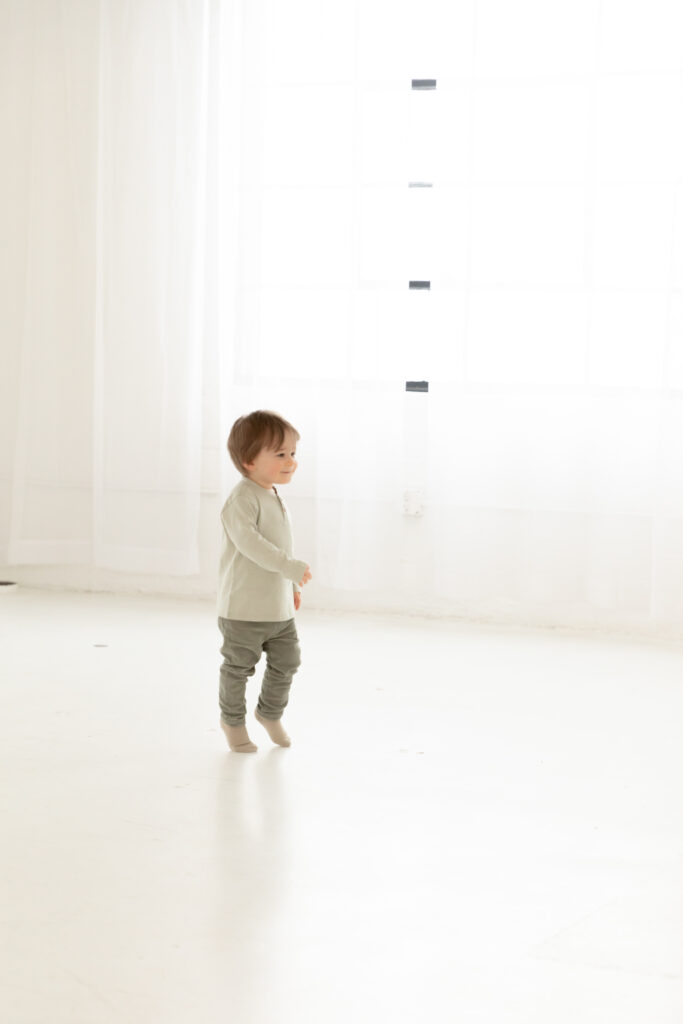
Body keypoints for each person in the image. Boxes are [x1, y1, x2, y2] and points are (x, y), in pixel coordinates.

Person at [217, 410, 312, 753]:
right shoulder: (241, 498)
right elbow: (252, 545)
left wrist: (292, 586)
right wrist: (290, 568)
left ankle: (269, 713)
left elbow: (280, 545)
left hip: (277, 608)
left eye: (293, 453)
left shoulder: (271, 493)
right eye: (281, 454)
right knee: (238, 668)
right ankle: (233, 721)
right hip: (244, 608)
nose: (291, 461)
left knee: (288, 661)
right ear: (249, 461)